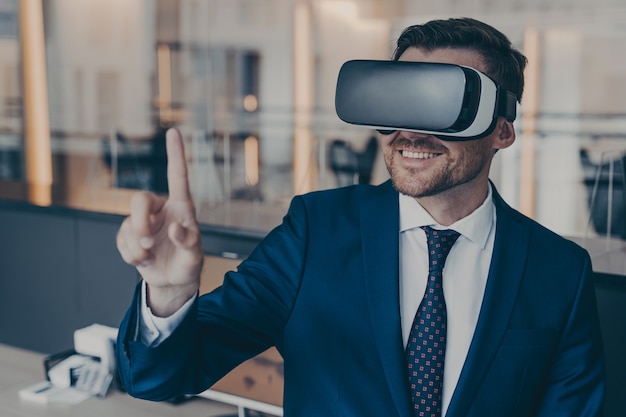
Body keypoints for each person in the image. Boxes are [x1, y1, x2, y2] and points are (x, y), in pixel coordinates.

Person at [115, 17, 605, 417]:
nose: (412, 132)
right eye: (399, 101)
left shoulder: (559, 270)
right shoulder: (315, 231)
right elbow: (161, 378)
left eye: (443, 107)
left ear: (502, 130)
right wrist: (169, 295)